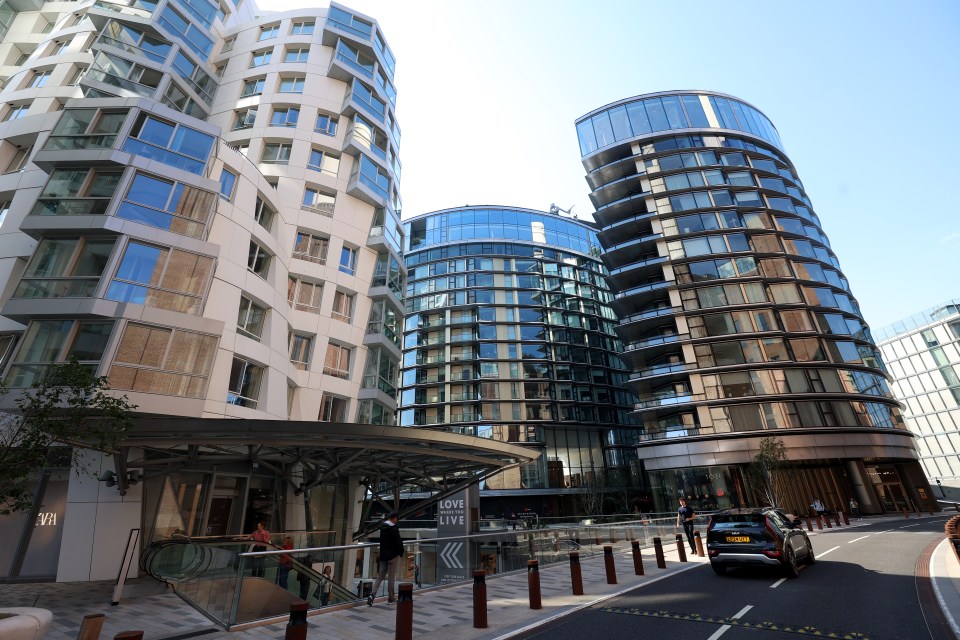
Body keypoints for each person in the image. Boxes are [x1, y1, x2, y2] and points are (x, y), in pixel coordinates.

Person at [368, 512, 403, 606]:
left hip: (383, 555)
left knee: (380, 576)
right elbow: (398, 541)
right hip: (392, 556)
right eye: (397, 518)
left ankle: (372, 595)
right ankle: (391, 598)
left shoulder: (383, 527)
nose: (397, 520)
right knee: (391, 578)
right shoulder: (394, 528)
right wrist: (401, 552)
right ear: (394, 518)